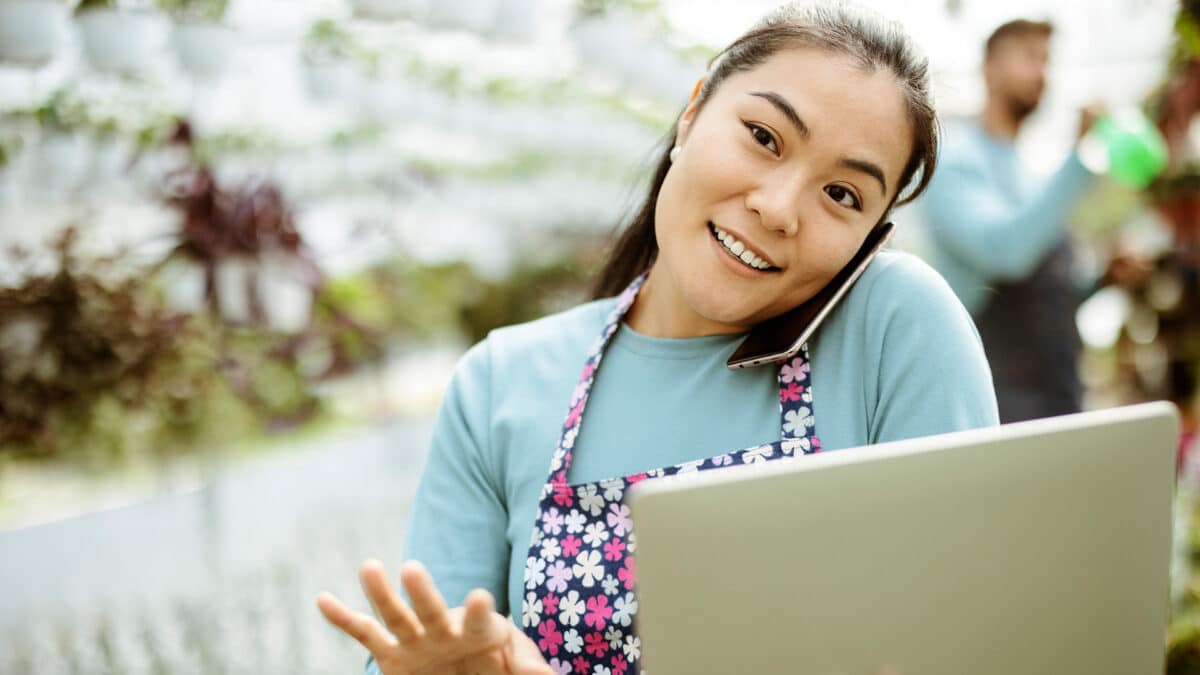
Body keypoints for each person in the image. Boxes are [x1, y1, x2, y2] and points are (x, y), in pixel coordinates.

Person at [318, 3, 999, 674]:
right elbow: (437, 651)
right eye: (764, 137)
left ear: (871, 237)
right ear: (693, 112)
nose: (778, 206)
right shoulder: (501, 382)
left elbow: (975, 639)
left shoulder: (895, 329)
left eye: (844, 195)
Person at [920, 19, 1099, 424]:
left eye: (1047, 61)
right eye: (1029, 58)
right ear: (989, 68)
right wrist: (1082, 157)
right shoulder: (953, 162)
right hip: (1000, 397)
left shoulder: (1029, 173)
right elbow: (1007, 253)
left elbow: (1051, 293)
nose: (1042, 73)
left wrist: (1105, 278)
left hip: (1060, 394)